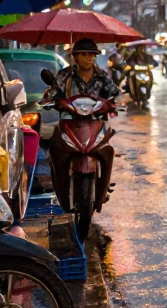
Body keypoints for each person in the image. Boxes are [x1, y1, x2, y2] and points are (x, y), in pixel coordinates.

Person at [44, 38, 121, 209]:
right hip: (69, 121)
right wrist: (51, 97)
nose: (88, 58)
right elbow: (54, 91)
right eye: (84, 54)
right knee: (55, 148)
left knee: (107, 149)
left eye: (91, 55)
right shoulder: (65, 75)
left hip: (95, 122)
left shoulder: (102, 76)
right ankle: (59, 181)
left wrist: (114, 102)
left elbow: (115, 93)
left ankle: (104, 185)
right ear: (75, 57)